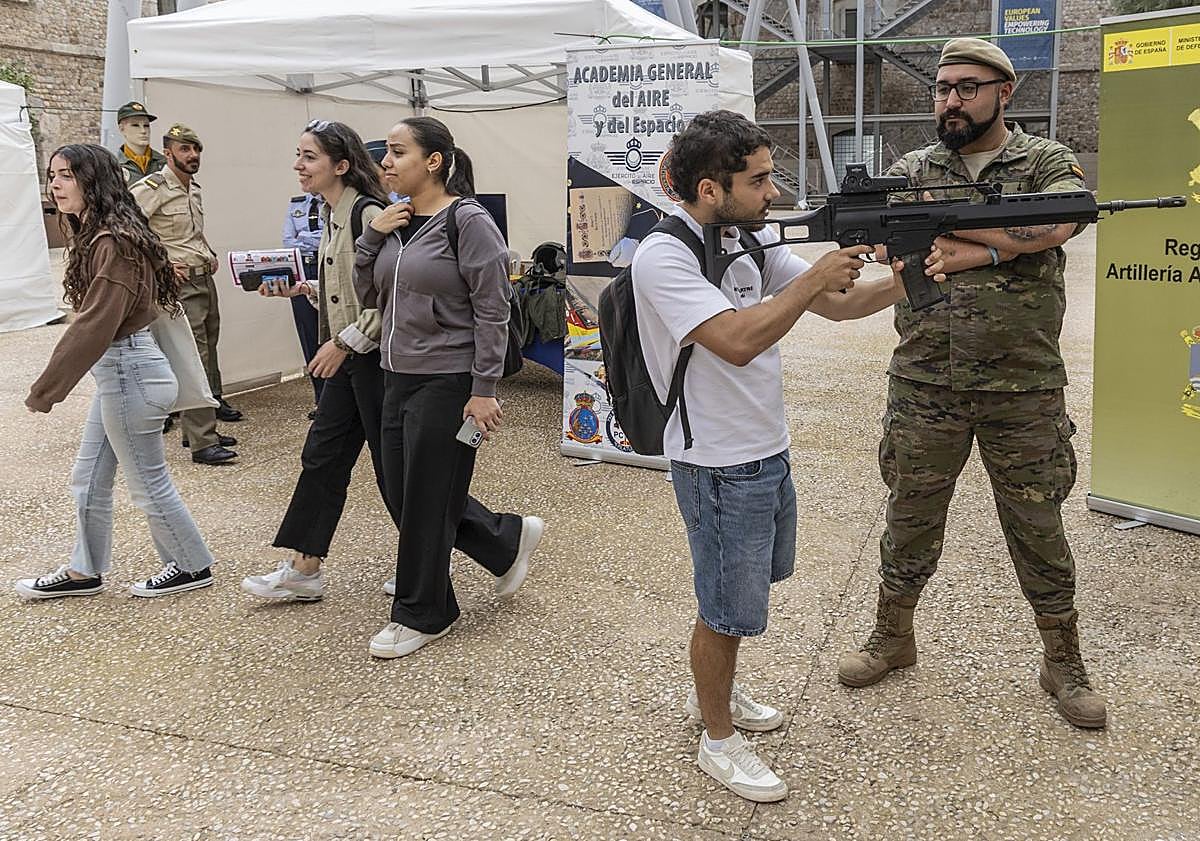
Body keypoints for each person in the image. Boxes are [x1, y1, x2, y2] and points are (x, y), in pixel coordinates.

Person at [634, 109, 944, 802]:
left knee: (744, 591)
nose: (774, 191)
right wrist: (808, 282)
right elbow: (738, 339)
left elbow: (836, 304)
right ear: (710, 189)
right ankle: (717, 738)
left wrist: (910, 273)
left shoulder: (747, 234)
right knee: (725, 609)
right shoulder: (664, 255)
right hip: (715, 460)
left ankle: (720, 693)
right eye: (760, 179)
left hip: (764, 446)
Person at [835, 38, 1107, 730]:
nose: (950, 100)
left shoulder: (1041, 160)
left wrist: (988, 247)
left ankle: (1062, 658)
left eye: (966, 87)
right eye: (941, 88)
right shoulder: (914, 169)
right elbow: (860, 231)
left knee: (1038, 522)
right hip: (926, 382)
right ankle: (892, 635)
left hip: (1023, 386)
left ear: (1003, 93)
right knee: (909, 515)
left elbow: (1071, 209)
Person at [354, 116, 544, 659]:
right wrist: (373, 236)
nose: (385, 162)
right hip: (396, 374)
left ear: (433, 161)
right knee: (400, 490)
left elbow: (493, 307)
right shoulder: (396, 221)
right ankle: (502, 539)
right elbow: (369, 294)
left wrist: (483, 388)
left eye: (397, 152)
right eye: (385, 153)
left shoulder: (469, 221)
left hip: (451, 378)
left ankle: (424, 613)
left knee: (426, 497)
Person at [16, 144, 216, 599]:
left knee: (147, 482)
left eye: (66, 175)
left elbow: (95, 324)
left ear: (94, 180)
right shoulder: (104, 235)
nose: (56, 184)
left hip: (130, 375)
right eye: (53, 175)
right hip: (121, 377)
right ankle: (83, 570)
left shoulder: (112, 241)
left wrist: (46, 390)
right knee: (88, 478)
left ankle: (191, 564)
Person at [240, 120, 397, 602]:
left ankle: (495, 541)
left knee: (396, 471)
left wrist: (343, 343)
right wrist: (305, 289)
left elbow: (391, 297)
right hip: (350, 363)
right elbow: (350, 293)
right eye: (299, 155)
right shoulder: (333, 213)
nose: (298, 165)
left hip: (370, 362)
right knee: (323, 458)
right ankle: (305, 567)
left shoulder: (368, 214)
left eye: (308, 157)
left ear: (341, 165)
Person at [130, 124, 242, 464]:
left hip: (202, 279)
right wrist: (160, 264)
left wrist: (207, 253)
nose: (192, 156)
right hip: (178, 286)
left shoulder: (193, 190)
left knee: (209, 350)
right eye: (185, 149)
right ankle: (202, 443)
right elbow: (128, 228)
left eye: (196, 150)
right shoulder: (153, 187)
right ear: (169, 152)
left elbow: (190, 233)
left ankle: (197, 429)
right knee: (194, 358)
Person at [281, 190, 326, 411]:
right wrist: (315, 237)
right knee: (309, 334)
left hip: (326, 263)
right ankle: (321, 399)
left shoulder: (339, 201)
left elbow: (332, 236)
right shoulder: (297, 203)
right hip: (302, 267)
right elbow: (288, 241)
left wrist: (304, 237)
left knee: (334, 333)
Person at [112, 101, 167, 187]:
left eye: (146, 125)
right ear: (122, 129)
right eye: (135, 125)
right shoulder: (113, 167)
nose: (143, 131)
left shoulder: (165, 163)